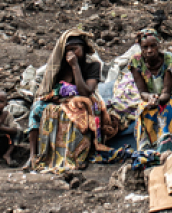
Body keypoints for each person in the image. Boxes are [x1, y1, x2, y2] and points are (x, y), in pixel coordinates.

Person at [24, 29, 121, 172]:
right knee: (37, 108)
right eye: (68, 50)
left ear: (83, 49)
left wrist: (75, 66)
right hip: (62, 101)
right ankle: (33, 155)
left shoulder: (92, 65)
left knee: (77, 107)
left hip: (84, 99)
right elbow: (54, 88)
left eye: (75, 49)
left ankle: (74, 156)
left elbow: (86, 91)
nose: (71, 54)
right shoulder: (60, 66)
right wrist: (54, 96)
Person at [113, 28, 172, 156]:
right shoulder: (135, 61)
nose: (149, 50)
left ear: (158, 45)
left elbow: (166, 92)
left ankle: (169, 149)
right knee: (143, 110)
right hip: (152, 94)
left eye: (153, 46)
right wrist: (150, 98)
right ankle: (148, 151)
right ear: (140, 48)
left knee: (167, 110)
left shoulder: (169, 60)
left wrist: (157, 100)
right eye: (145, 47)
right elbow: (142, 91)